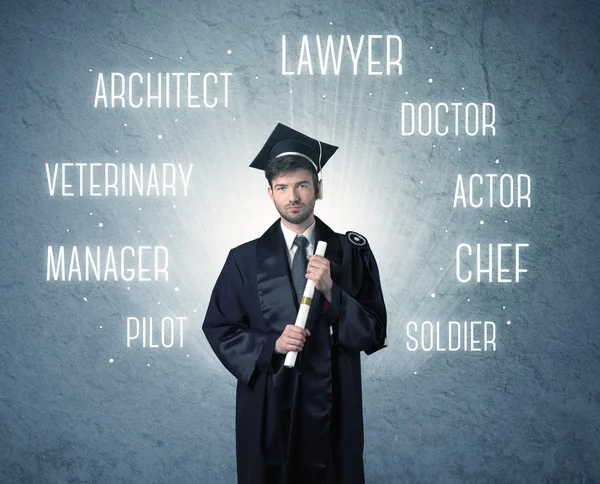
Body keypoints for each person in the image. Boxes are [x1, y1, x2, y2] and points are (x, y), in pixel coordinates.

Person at [202, 123, 387, 484]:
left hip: (334, 406)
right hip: (269, 405)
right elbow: (220, 328)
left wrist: (333, 291)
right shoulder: (243, 260)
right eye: (283, 188)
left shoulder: (351, 254)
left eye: (302, 185)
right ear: (269, 193)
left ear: (318, 188)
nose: (293, 197)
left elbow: (374, 332)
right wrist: (271, 344)